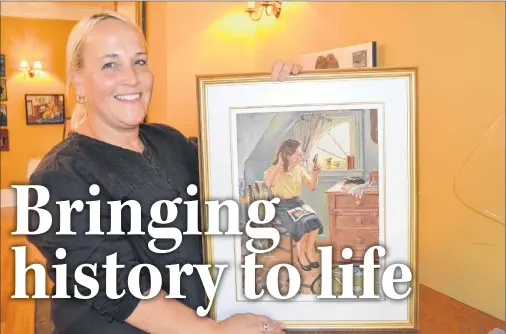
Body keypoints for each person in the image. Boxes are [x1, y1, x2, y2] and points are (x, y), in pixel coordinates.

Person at [26, 11, 302, 334]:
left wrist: (283, 96)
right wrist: (218, 331)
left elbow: (229, 159)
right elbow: (127, 293)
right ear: (77, 81)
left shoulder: (167, 140)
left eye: (139, 61)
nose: (131, 77)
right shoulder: (60, 177)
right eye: (110, 64)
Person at [263, 139, 323, 271]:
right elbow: (267, 184)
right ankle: (301, 255)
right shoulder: (273, 170)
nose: (301, 157)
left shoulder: (299, 170)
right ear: (287, 155)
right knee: (301, 223)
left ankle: (308, 250)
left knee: (314, 219)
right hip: (281, 206)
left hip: (296, 202)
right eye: (298, 154)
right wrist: (279, 165)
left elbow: (312, 187)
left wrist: (314, 174)